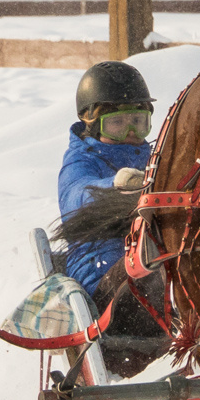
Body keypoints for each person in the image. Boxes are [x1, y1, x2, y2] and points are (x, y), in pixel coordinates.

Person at [58, 61, 154, 301]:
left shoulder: (156, 157)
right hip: (100, 270)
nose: (129, 132)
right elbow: (75, 195)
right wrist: (113, 186)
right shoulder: (80, 160)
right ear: (92, 123)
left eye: (138, 121)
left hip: (152, 257)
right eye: (117, 123)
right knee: (154, 280)